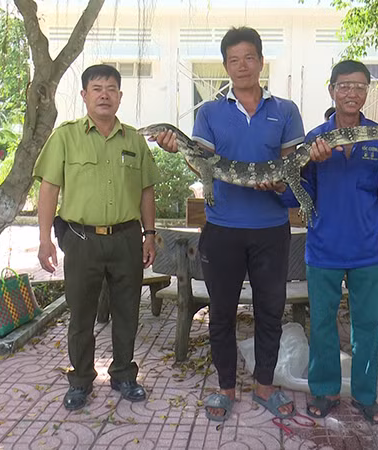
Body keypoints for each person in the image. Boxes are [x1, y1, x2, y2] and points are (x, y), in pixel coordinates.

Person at [154, 26, 304, 422]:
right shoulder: (209, 113)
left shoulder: (285, 111)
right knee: (220, 312)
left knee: (270, 311)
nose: (242, 66)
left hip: (271, 230)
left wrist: (281, 185)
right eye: (233, 60)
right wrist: (180, 149)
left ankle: (266, 387)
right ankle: (225, 388)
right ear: (225, 65)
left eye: (249, 58)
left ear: (260, 61)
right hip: (221, 231)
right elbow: (201, 162)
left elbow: (293, 171)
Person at [278, 60, 378, 424]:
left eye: (359, 86)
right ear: (332, 89)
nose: (351, 93)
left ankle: (366, 396)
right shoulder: (315, 138)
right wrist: (303, 168)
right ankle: (324, 390)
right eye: (344, 86)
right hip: (324, 248)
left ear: (367, 91)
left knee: (368, 325)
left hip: (368, 248)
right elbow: (295, 198)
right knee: (321, 323)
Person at [34, 64, 160, 411]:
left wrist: (150, 234)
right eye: (97, 88)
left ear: (120, 96)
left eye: (111, 89)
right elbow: (49, 188)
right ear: (84, 95)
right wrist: (45, 239)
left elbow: (147, 191)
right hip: (81, 239)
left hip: (125, 239)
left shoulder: (134, 139)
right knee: (81, 314)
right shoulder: (66, 136)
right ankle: (81, 380)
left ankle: (123, 374)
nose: (104, 94)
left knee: (127, 311)